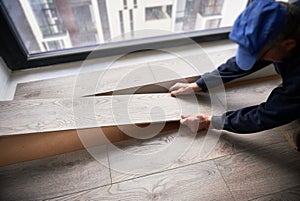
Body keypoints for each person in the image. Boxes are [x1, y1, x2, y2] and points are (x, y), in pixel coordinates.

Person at [169, 0, 300, 149]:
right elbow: (244, 63)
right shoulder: (287, 16)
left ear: (288, 44)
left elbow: (270, 114)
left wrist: (210, 121)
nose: (256, 60)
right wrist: (200, 84)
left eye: (259, 56)